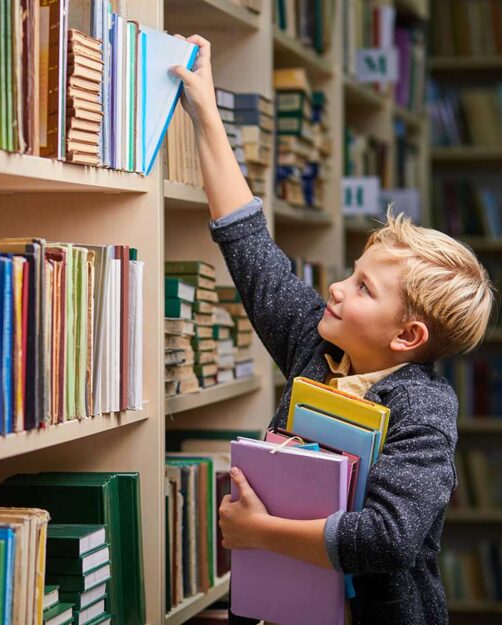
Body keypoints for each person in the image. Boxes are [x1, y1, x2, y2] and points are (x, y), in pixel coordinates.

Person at [171, 35, 496, 625]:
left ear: (407, 338)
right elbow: (250, 248)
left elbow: (387, 538)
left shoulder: (425, 409)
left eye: (365, 288)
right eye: (351, 273)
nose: (338, 288)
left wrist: (262, 533)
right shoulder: (318, 347)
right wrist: (204, 110)